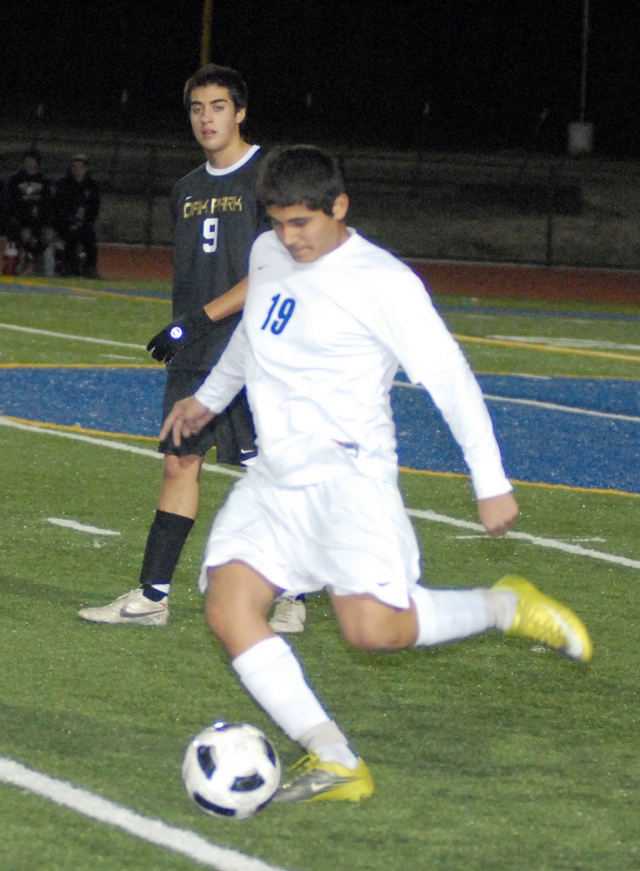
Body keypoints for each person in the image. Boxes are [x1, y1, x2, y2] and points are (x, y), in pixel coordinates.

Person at [160, 145, 593, 803]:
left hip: (347, 478)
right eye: (277, 223)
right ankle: (335, 758)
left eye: (302, 222)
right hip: (275, 478)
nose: (289, 238)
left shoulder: (383, 281)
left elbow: (449, 377)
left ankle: (504, 604)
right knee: (228, 607)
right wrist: (209, 399)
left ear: (339, 206)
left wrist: (490, 479)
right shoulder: (271, 254)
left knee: (372, 630)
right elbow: (253, 336)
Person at [77, 64, 306, 633]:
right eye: (198, 109)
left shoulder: (270, 179)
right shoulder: (186, 188)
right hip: (197, 353)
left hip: (256, 349)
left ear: (242, 111)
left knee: (267, 472)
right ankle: (152, 597)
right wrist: (188, 329)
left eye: (219, 107)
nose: (207, 119)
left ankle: (294, 591)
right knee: (181, 462)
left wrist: (194, 320)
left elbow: (274, 273)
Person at [2, 146, 56, 276]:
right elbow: (8, 207)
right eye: (26, 159)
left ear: (37, 161)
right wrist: (20, 227)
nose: (29, 162)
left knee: (45, 239)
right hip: (17, 224)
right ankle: (10, 266)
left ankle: (41, 266)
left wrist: (48, 226)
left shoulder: (44, 181)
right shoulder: (14, 180)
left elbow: (49, 207)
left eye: (32, 159)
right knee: (12, 241)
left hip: (38, 223)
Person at [55, 153, 100, 277]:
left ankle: (89, 268)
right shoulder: (64, 184)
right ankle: (67, 266)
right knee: (70, 236)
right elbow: (59, 207)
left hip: (84, 224)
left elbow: (94, 209)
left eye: (80, 167)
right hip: (66, 223)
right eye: (74, 166)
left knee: (89, 238)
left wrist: (85, 220)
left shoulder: (92, 186)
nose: (76, 170)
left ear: (86, 169)